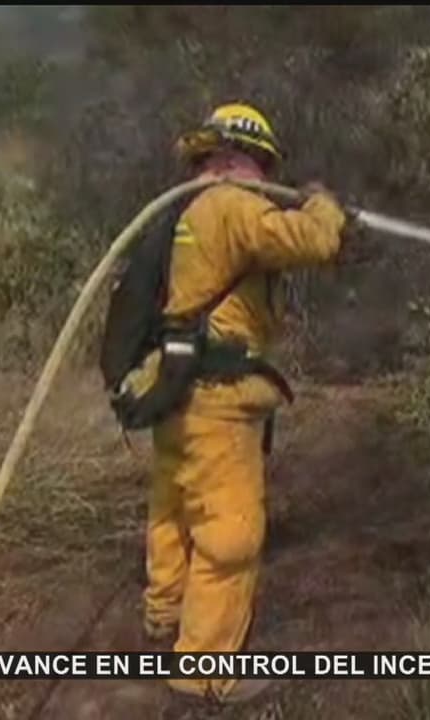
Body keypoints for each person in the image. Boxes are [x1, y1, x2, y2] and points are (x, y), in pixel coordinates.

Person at [143, 102, 347, 705]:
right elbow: (312, 241)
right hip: (218, 403)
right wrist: (323, 203)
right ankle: (204, 675)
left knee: (173, 508)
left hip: (175, 392)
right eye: (262, 164)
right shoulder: (231, 204)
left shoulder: (180, 212)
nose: (265, 178)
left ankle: (164, 616)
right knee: (230, 534)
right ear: (238, 157)